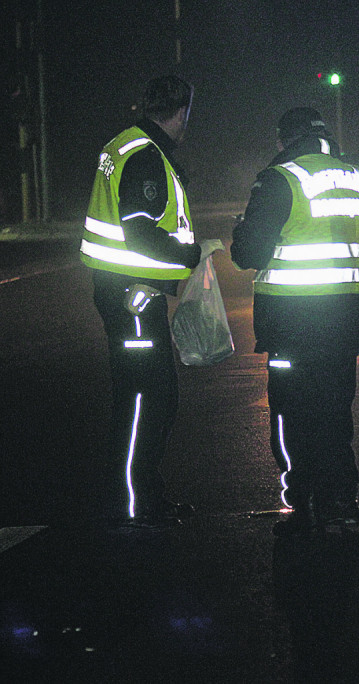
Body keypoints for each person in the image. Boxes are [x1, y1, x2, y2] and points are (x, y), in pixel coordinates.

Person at [81, 75, 224, 527]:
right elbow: (139, 231)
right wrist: (190, 255)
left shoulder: (124, 144)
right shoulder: (146, 155)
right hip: (133, 297)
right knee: (148, 399)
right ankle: (134, 504)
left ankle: (139, 498)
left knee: (144, 396)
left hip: (124, 292)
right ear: (181, 113)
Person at [230, 107, 359, 536]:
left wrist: (241, 230)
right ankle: (341, 501)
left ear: (285, 139)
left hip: (292, 318)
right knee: (335, 408)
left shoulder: (281, 178)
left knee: (291, 409)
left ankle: (301, 493)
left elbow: (249, 253)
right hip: (346, 316)